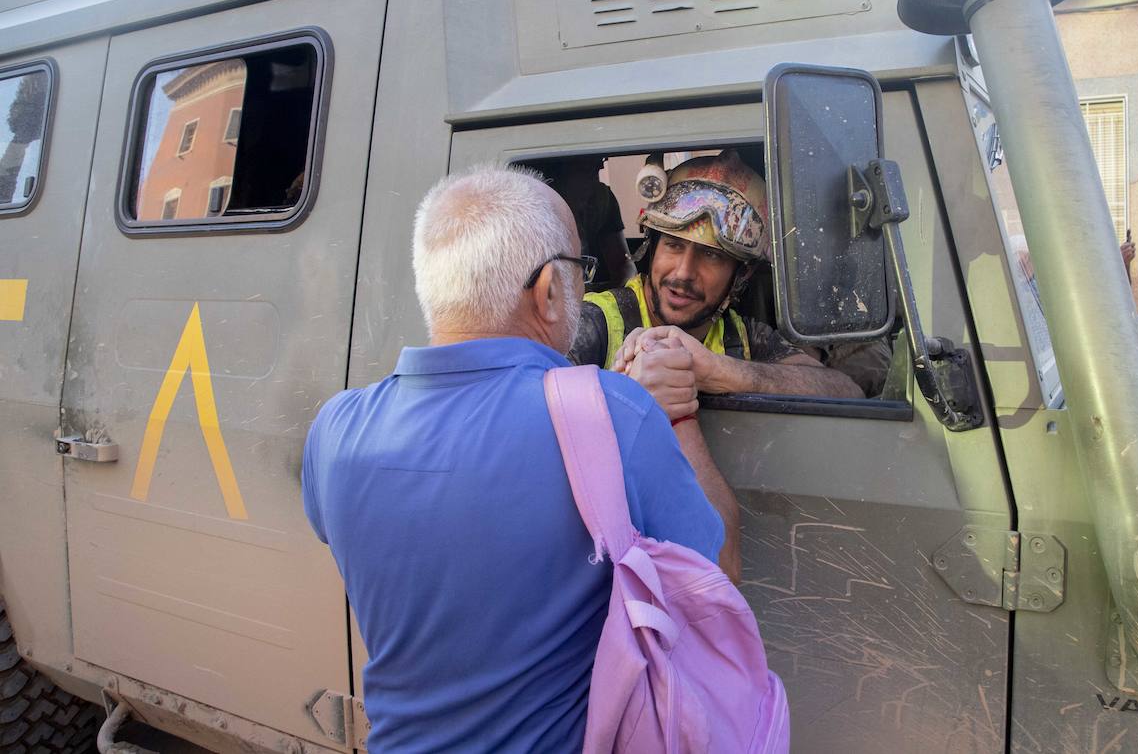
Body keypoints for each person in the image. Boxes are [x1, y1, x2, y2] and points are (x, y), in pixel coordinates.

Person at [301, 166, 736, 753]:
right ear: (548, 293)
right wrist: (678, 414)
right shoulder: (613, 416)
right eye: (580, 272)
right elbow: (718, 581)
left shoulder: (335, 429)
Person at [567, 151, 864, 399]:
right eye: (673, 245)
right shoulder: (593, 323)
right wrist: (624, 392)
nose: (683, 273)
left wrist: (716, 371)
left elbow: (845, 391)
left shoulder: (742, 335)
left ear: (741, 274)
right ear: (652, 247)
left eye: (712, 256)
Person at [544, 155, 636, 287]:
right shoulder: (541, 208)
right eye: (585, 171)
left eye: (596, 170)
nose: (593, 182)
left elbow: (622, 263)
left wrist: (628, 292)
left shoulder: (602, 200)